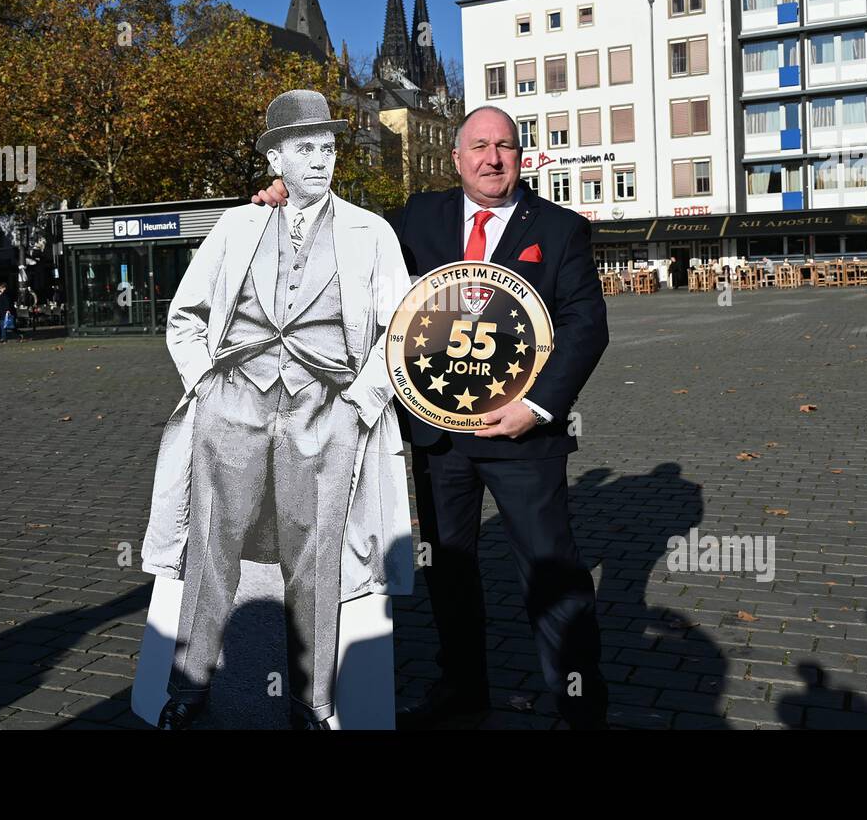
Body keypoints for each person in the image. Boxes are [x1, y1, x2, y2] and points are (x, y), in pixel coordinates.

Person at [254, 105, 610, 729]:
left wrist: (536, 406)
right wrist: (294, 193)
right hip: (437, 435)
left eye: (504, 146)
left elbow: (586, 327)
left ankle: (578, 703)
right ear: (456, 157)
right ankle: (463, 686)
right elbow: (349, 236)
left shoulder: (558, 230)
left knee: (551, 569)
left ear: (520, 156)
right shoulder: (420, 216)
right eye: (478, 146)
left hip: (523, 434)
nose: (491, 158)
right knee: (449, 567)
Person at [145, 90, 412, 730]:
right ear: (275, 157)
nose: (320, 162)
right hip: (233, 407)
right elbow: (184, 317)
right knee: (212, 546)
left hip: (326, 412)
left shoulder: (370, 232)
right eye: (304, 149)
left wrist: (359, 403)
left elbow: (402, 327)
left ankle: (312, 697)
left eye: (327, 149)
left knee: (315, 554)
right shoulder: (237, 227)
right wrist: (204, 386)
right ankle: (188, 686)